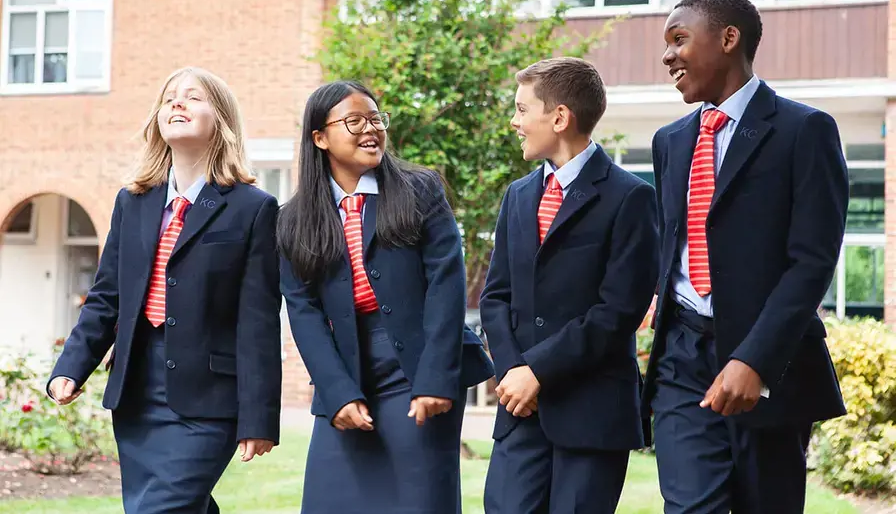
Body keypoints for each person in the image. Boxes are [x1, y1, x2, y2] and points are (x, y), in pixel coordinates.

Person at [642, 0, 849, 513]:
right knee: (689, 507)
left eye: (679, 39)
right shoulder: (670, 142)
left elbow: (812, 261)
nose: (667, 55)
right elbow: (675, 242)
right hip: (681, 359)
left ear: (728, 38)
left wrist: (754, 361)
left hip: (769, 361)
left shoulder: (805, 130)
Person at [48, 66, 283, 514]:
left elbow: (257, 321)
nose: (177, 103)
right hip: (136, 392)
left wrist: (260, 415)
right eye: (170, 97)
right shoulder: (132, 202)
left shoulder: (253, 209)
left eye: (193, 97)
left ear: (222, 120)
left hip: (208, 400)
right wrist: (71, 367)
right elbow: (106, 296)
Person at [277, 80, 494, 514]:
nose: (369, 129)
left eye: (376, 118)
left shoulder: (421, 190)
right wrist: (337, 392)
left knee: (420, 503)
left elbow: (446, 284)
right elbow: (303, 310)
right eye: (353, 121)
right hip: (347, 370)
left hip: (418, 369)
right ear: (319, 138)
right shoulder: (292, 219)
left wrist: (434, 377)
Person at [480, 57, 659, 513]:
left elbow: (617, 312)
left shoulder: (630, 198)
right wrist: (513, 373)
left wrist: (536, 371)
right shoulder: (518, 196)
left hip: (592, 413)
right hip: (520, 412)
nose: (514, 121)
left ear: (559, 117)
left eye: (522, 110)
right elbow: (496, 296)